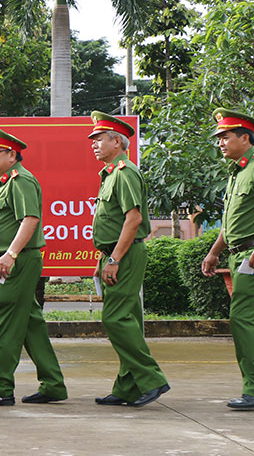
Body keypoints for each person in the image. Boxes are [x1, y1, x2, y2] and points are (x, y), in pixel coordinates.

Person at [0, 126, 67, 407]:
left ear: (12, 154)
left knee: (6, 322)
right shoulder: (3, 183)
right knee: (31, 324)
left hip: (19, 261)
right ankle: (53, 385)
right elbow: (0, 227)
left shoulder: (21, 180)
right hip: (10, 259)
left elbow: (30, 220)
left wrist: (10, 254)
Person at [88, 111, 170, 407]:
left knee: (116, 318)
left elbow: (133, 219)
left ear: (118, 142)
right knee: (129, 320)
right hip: (115, 253)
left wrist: (115, 259)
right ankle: (128, 387)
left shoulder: (124, 172)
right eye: (93, 139)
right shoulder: (111, 174)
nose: (94, 144)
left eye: (100, 138)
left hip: (125, 253)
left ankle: (152, 380)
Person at [201, 108, 254, 410]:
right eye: (218, 137)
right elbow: (230, 222)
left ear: (245, 138)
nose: (219, 142)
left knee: (243, 318)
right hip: (239, 253)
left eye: (225, 136)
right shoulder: (237, 172)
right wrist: (214, 251)